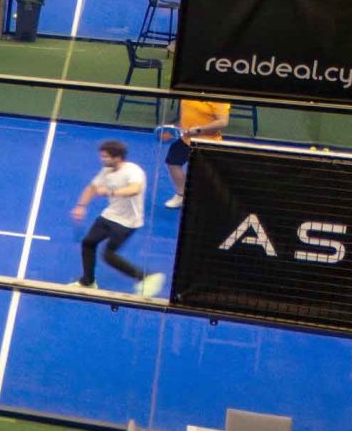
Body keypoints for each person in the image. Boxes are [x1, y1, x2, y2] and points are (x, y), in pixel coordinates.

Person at [69, 140, 165, 298]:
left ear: (117, 157)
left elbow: (135, 189)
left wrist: (110, 192)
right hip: (110, 215)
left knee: (108, 255)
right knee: (88, 243)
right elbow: (92, 188)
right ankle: (88, 282)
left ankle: (147, 276)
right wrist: (81, 206)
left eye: (105, 157)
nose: (102, 159)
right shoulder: (106, 170)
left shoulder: (133, 171)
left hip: (128, 222)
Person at [160, 99, 231, 208]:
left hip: (208, 142)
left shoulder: (219, 97)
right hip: (185, 138)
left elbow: (223, 122)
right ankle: (181, 195)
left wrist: (199, 130)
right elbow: (187, 114)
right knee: (173, 163)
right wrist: (175, 130)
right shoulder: (189, 90)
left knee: (206, 175)